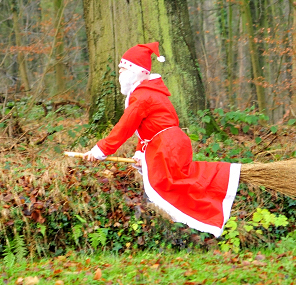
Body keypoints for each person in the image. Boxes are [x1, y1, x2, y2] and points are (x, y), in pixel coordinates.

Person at [82, 42, 240, 237]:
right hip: (166, 143)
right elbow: (146, 130)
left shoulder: (143, 97)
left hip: (167, 146)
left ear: (135, 72)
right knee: (172, 187)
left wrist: (100, 151)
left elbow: (124, 127)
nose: (120, 74)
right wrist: (141, 153)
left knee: (169, 189)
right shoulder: (146, 94)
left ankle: (185, 231)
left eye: (123, 69)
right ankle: (178, 233)